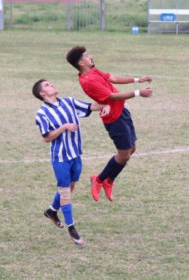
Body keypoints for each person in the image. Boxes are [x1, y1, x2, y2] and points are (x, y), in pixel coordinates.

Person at [66, 46, 153, 202]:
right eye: (86, 56)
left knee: (131, 149)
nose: (90, 56)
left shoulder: (93, 71)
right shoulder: (88, 81)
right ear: (81, 63)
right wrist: (138, 92)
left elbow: (112, 78)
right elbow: (112, 97)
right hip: (114, 118)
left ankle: (107, 180)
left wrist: (136, 80)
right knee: (124, 154)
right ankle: (99, 180)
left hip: (122, 111)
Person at [33, 79, 110, 245]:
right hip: (60, 158)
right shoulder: (42, 114)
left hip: (76, 155)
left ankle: (52, 211)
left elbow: (90, 107)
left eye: (50, 83)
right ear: (42, 94)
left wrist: (106, 104)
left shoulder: (69, 102)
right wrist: (64, 127)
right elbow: (47, 138)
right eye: (47, 85)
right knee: (65, 191)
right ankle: (71, 228)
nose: (51, 84)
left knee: (71, 186)